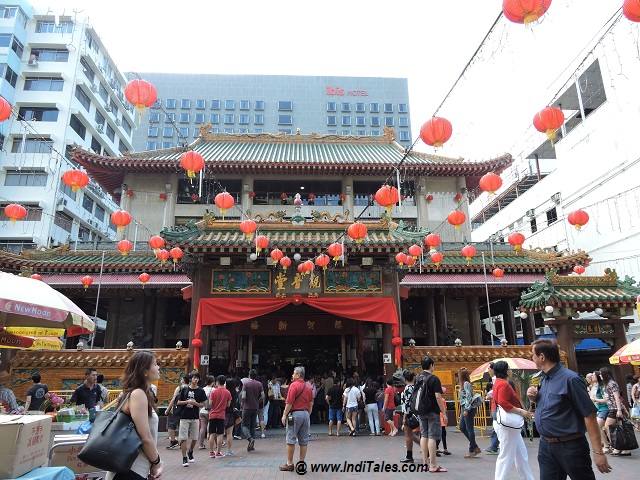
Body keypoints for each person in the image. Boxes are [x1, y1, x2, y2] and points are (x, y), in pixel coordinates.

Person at [527, 339, 611, 478]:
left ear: (542, 357)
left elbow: (589, 415)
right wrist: (533, 399)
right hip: (546, 446)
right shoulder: (544, 379)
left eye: (533, 355)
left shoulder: (571, 379)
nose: (532, 358)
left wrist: (598, 452)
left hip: (570, 446)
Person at [106, 350, 161, 480]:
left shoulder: (139, 393)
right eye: (155, 364)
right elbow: (145, 437)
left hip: (133, 469)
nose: (158, 367)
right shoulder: (138, 394)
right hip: (130, 470)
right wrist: (156, 462)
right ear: (144, 371)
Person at [491, 360, 535, 480]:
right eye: (509, 368)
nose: (510, 370)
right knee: (506, 455)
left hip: (506, 424)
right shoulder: (504, 384)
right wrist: (522, 411)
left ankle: (528, 478)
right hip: (507, 426)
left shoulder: (498, 382)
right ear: (505, 371)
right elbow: (503, 402)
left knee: (520, 454)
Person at [415, 355, 447, 473]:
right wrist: (444, 412)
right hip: (432, 411)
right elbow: (438, 397)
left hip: (421, 410)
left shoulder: (418, 377)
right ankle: (433, 465)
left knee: (424, 435)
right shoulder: (434, 379)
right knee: (432, 437)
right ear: (431, 365)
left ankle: (424, 463)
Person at [279, 366, 313, 472]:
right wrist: (308, 414)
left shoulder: (293, 385)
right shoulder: (308, 386)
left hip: (294, 414)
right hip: (306, 414)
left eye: (294, 373)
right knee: (304, 441)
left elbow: (289, 402)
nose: (292, 375)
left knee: (290, 439)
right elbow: (311, 402)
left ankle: (289, 463)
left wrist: (284, 415)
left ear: (298, 375)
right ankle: (301, 463)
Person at [176, 373, 207, 467]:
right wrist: (187, 402)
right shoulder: (184, 389)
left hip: (195, 416)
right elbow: (178, 402)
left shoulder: (201, 391)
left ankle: (190, 451)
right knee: (184, 437)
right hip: (184, 416)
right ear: (190, 379)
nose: (196, 380)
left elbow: (204, 404)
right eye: (194, 378)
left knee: (194, 438)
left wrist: (195, 403)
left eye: (197, 378)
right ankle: (184, 458)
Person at [599, 367, 630, 456]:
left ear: (605, 374)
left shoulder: (611, 383)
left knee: (608, 427)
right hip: (613, 408)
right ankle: (622, 449)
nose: (600, 375)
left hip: (615, 409)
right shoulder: (608, 384)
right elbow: (609, 399)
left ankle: (618, 447)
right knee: (619, 428)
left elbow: (617, 397)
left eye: (601, 374)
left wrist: (620, 410)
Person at [458, 367, 480, 458]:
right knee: (462, 427)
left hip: (468, 408)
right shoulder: (464, 384)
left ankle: (472, 449)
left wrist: (466, 409)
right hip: (465, 408)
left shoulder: (466, 384)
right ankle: (474, 446)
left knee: (469, 428)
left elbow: (468, 397)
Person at [241, 369, 264, 452]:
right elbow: (263, 396)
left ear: (249, 375)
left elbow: (243, 396)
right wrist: (257, 402)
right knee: (252, 426)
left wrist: (242, 404)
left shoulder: (246, 384)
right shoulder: (259, 384)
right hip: (255, 408)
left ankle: (250, 439)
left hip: (247, 408)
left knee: (244, 426)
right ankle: (251, 446)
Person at [208, 375, 231, 458]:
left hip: (212, 415)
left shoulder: (213, 392)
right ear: (224, 382)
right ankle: (218, 452)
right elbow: (228, 405)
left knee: (212, 433)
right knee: (220, 434)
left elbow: (210, 404)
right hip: (221, 415)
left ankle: (211, 452)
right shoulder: (227, 392)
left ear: (217, 382)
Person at [400, 370, 419, 463]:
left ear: (404, 379)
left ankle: (409, 455)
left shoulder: (407, 388)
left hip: (409, 414)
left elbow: (407, 404)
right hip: (415, 413)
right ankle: (426, 449)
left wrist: (404, 417)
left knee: (408, 435)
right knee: (412, 434)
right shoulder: (415, 387)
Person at [588, 372, 610, 452]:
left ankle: (607, 445)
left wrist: (595, 400)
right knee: (603, 427)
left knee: (599, 426)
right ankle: (607, 444)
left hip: (604, 408)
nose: (592, 376)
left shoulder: (601, 386)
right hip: (597, 409)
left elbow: (606, 400)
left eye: (593, 375)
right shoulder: (593, 386)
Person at [165, 375, 188, 450]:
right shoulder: (190, 388)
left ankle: (173, 441)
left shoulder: (179, 388)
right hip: (185, 409)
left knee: (171, 425)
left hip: (177, 409)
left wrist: (168, 409)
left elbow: (174, 399)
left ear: (183, 380)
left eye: (181, 379)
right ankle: (182, 443)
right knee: (182, 426)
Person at [197, 376, 214, 449]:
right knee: (211, 427)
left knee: (202, 428)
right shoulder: (214, 390)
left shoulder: (202, 389)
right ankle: (213, 443)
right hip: (211, 411)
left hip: (202, 410)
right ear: (212, 382)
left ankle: (201, 444)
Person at [436, 386, 450, 456]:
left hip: (437, 418)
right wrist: (445, 416)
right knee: (443, 434)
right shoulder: (443, 400)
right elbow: (445, 410)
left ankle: (436, 448)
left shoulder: (435, 400)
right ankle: (444, 449)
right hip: (441, 418)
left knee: (438, 434)